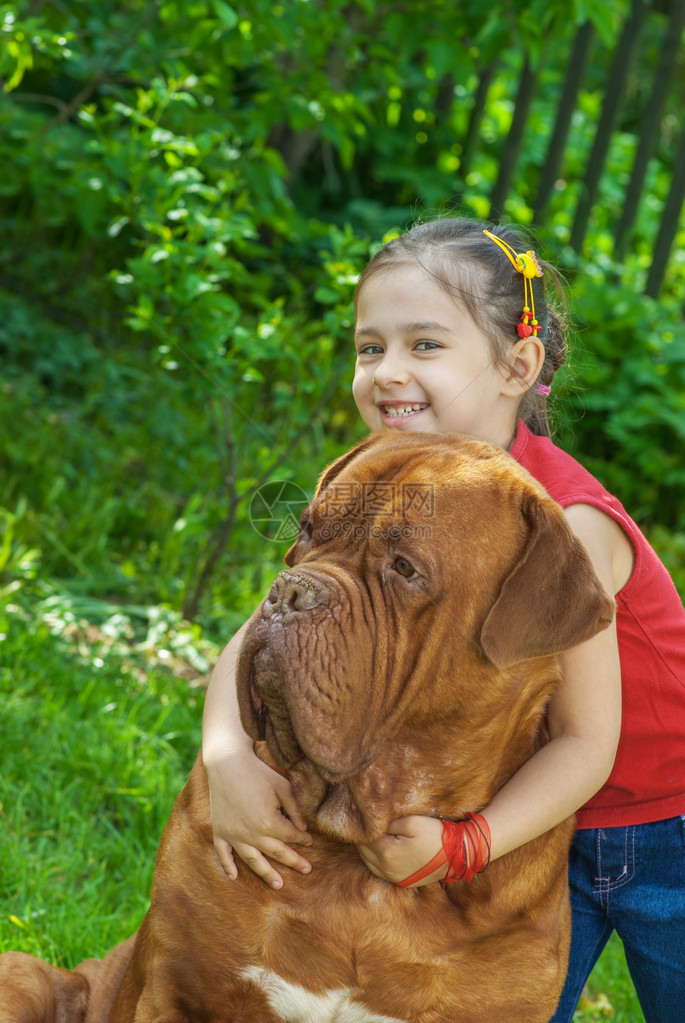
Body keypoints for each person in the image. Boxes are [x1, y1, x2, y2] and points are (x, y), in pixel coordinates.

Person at [202, 217, 685, 1022]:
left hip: (657, 819)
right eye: (368, 347)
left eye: (424, 345)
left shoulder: (561, 524)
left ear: (515, 366)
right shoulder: (384, 480)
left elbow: (585, 741)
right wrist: (226, 757)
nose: (387, 371)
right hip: (531, 819)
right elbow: (271, 620)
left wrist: (465, 846)